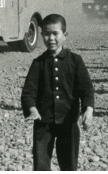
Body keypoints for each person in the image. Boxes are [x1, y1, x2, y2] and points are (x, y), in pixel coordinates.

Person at [21, 14, 94, 171]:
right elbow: (28, 92)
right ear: (41, 35)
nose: (51, 38)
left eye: (55, 33)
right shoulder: (38, 63)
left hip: (68, 122)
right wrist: (32, 109)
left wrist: (88, 109)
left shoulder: (75, 61)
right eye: (47, 34)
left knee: (68, 164)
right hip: (43, 123)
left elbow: (86, 88)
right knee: (41, 165)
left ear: (64, 35)